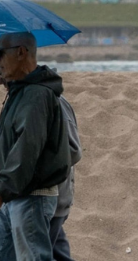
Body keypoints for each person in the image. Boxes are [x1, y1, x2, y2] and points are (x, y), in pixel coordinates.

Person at [0, 32, 71, 260]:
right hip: (11, 194)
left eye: (0, 54)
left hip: (31, 197)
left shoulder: (37, 94)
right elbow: (15, 145)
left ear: (21, 52)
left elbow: (27, 150)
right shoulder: (21, 91)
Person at [52, 92, 82, 261]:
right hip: (47, 201)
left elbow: (74, 151)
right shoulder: (20, 98)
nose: (0, 80)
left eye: (3, 70)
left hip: (52, 200)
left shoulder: (55, 103)